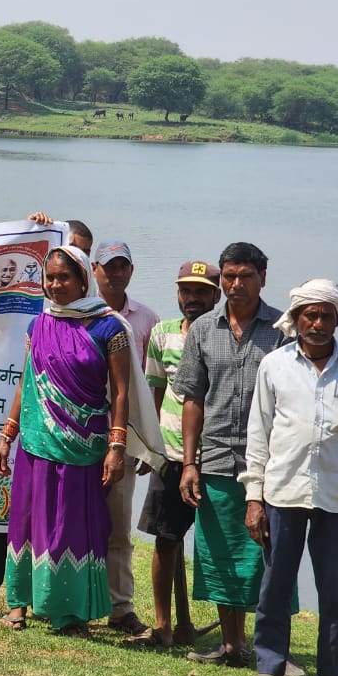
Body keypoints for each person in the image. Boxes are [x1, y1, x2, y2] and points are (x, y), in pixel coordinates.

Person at [239, 280, 338, 676]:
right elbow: (258, 434)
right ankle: (269, 669)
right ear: (297, 319)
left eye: (326, 315)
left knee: (334, 590)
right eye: (310, 315)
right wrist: (253, 497)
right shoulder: (275, 365)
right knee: (275, 585)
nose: (317, 323)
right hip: (281, 494)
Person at [0, 217, 91, 616]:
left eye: (70, 254)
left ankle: (69, 602)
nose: (55, 280)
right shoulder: (28, 292)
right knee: (6, 509)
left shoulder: (97, 318)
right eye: (50, 266)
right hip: (3, 403)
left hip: (70, 435)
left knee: (63, 519)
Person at [0, 245, 130, 637]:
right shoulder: (38, 325)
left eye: (64, 278)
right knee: (26, 518)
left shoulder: (109, 328)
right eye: (50, 278)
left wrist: (116, 446)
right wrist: (8, 434)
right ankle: (19, 605)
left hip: (84, 444)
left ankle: (69, 613)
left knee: (72, 523)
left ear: (83, 278)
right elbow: (26, 382)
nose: (55, 285)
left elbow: (121, 393)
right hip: (36, 442)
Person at [175, 242, 299, 672]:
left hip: (272, 465)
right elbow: (192, 399)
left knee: (269, 557)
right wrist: (189, 463)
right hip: (215, 461)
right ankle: (231, 647)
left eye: (245, 276)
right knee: (221, 556)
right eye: (228, 276)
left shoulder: (283, 330)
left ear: (263, 278)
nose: (236, 284)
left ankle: (273, 649)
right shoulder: (204, 329)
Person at [134, 260, 221, 647]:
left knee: (218, 545)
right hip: (170, 454)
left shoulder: (227, 336)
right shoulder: (163, 333)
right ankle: (165, 626)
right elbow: (154, 392)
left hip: (217, 459)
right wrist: (149, 448)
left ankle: (228, 633)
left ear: (216, 296)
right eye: (186, 290)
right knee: (167, 539)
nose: (193, 298)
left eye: (202, 291)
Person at [91, 240, 160, 636]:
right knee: (73, 521)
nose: (116, 273)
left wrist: (147, 443)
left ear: (131, 272)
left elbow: (152, 388)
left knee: (119, 526)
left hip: (125, 439)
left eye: (123, 267)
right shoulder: (78, 313)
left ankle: (121, 608)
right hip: (76, 434)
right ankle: (71, 600)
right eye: (109, 266)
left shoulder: (146, 319)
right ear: (95, 270)